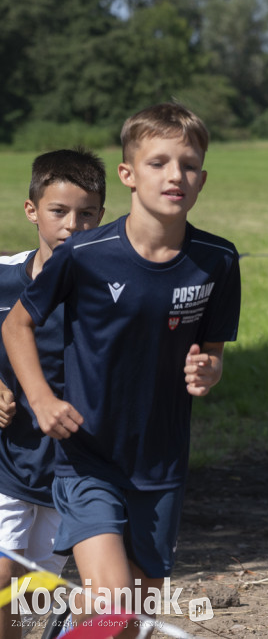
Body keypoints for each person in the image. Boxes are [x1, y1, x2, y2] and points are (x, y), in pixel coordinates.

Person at [2, 102, 242, 633]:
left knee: (131, 621)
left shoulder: (218, 260)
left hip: (162, 464)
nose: (175, 175)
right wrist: (41, 399)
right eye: (158, 162)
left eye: (188, 163)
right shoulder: (87, 253)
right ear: (128, 175)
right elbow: (15, 325)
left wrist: (211, 370)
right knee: (111, 601)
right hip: (89, 459)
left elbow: (213, 351)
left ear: (203, 177)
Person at [0, 148, 106, 638]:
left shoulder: (112, 290)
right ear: (31, 210)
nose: (72, 226)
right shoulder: (3, 277)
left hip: (74, 467)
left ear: (102, 217)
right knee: (1, 579)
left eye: (87, 214)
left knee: (35, 593)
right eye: (58, 211)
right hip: (9, 461)